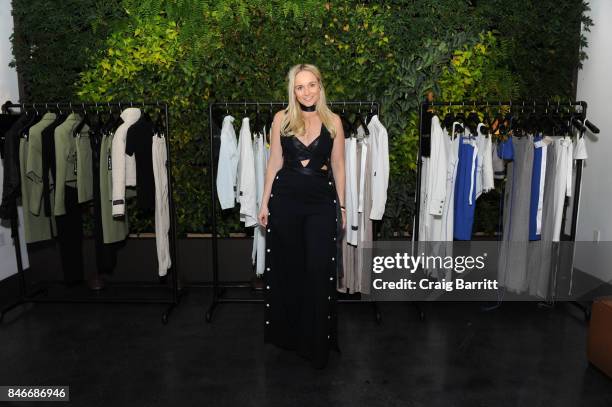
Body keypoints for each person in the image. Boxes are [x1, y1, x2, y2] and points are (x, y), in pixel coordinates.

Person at [258, 63, 346, 368]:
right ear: (292, 91)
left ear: (320, 86)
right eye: (299, 86)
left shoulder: (334, 121)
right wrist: (264, 202)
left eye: (311, 85)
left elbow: (339, 167)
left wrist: (343, 206)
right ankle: (291, 337)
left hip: (321, 202)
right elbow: (273, 164)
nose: (306, 91)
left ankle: (316, 340)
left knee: (318, 269)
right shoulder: (281, 119)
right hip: (285, 201)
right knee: (290, 269)